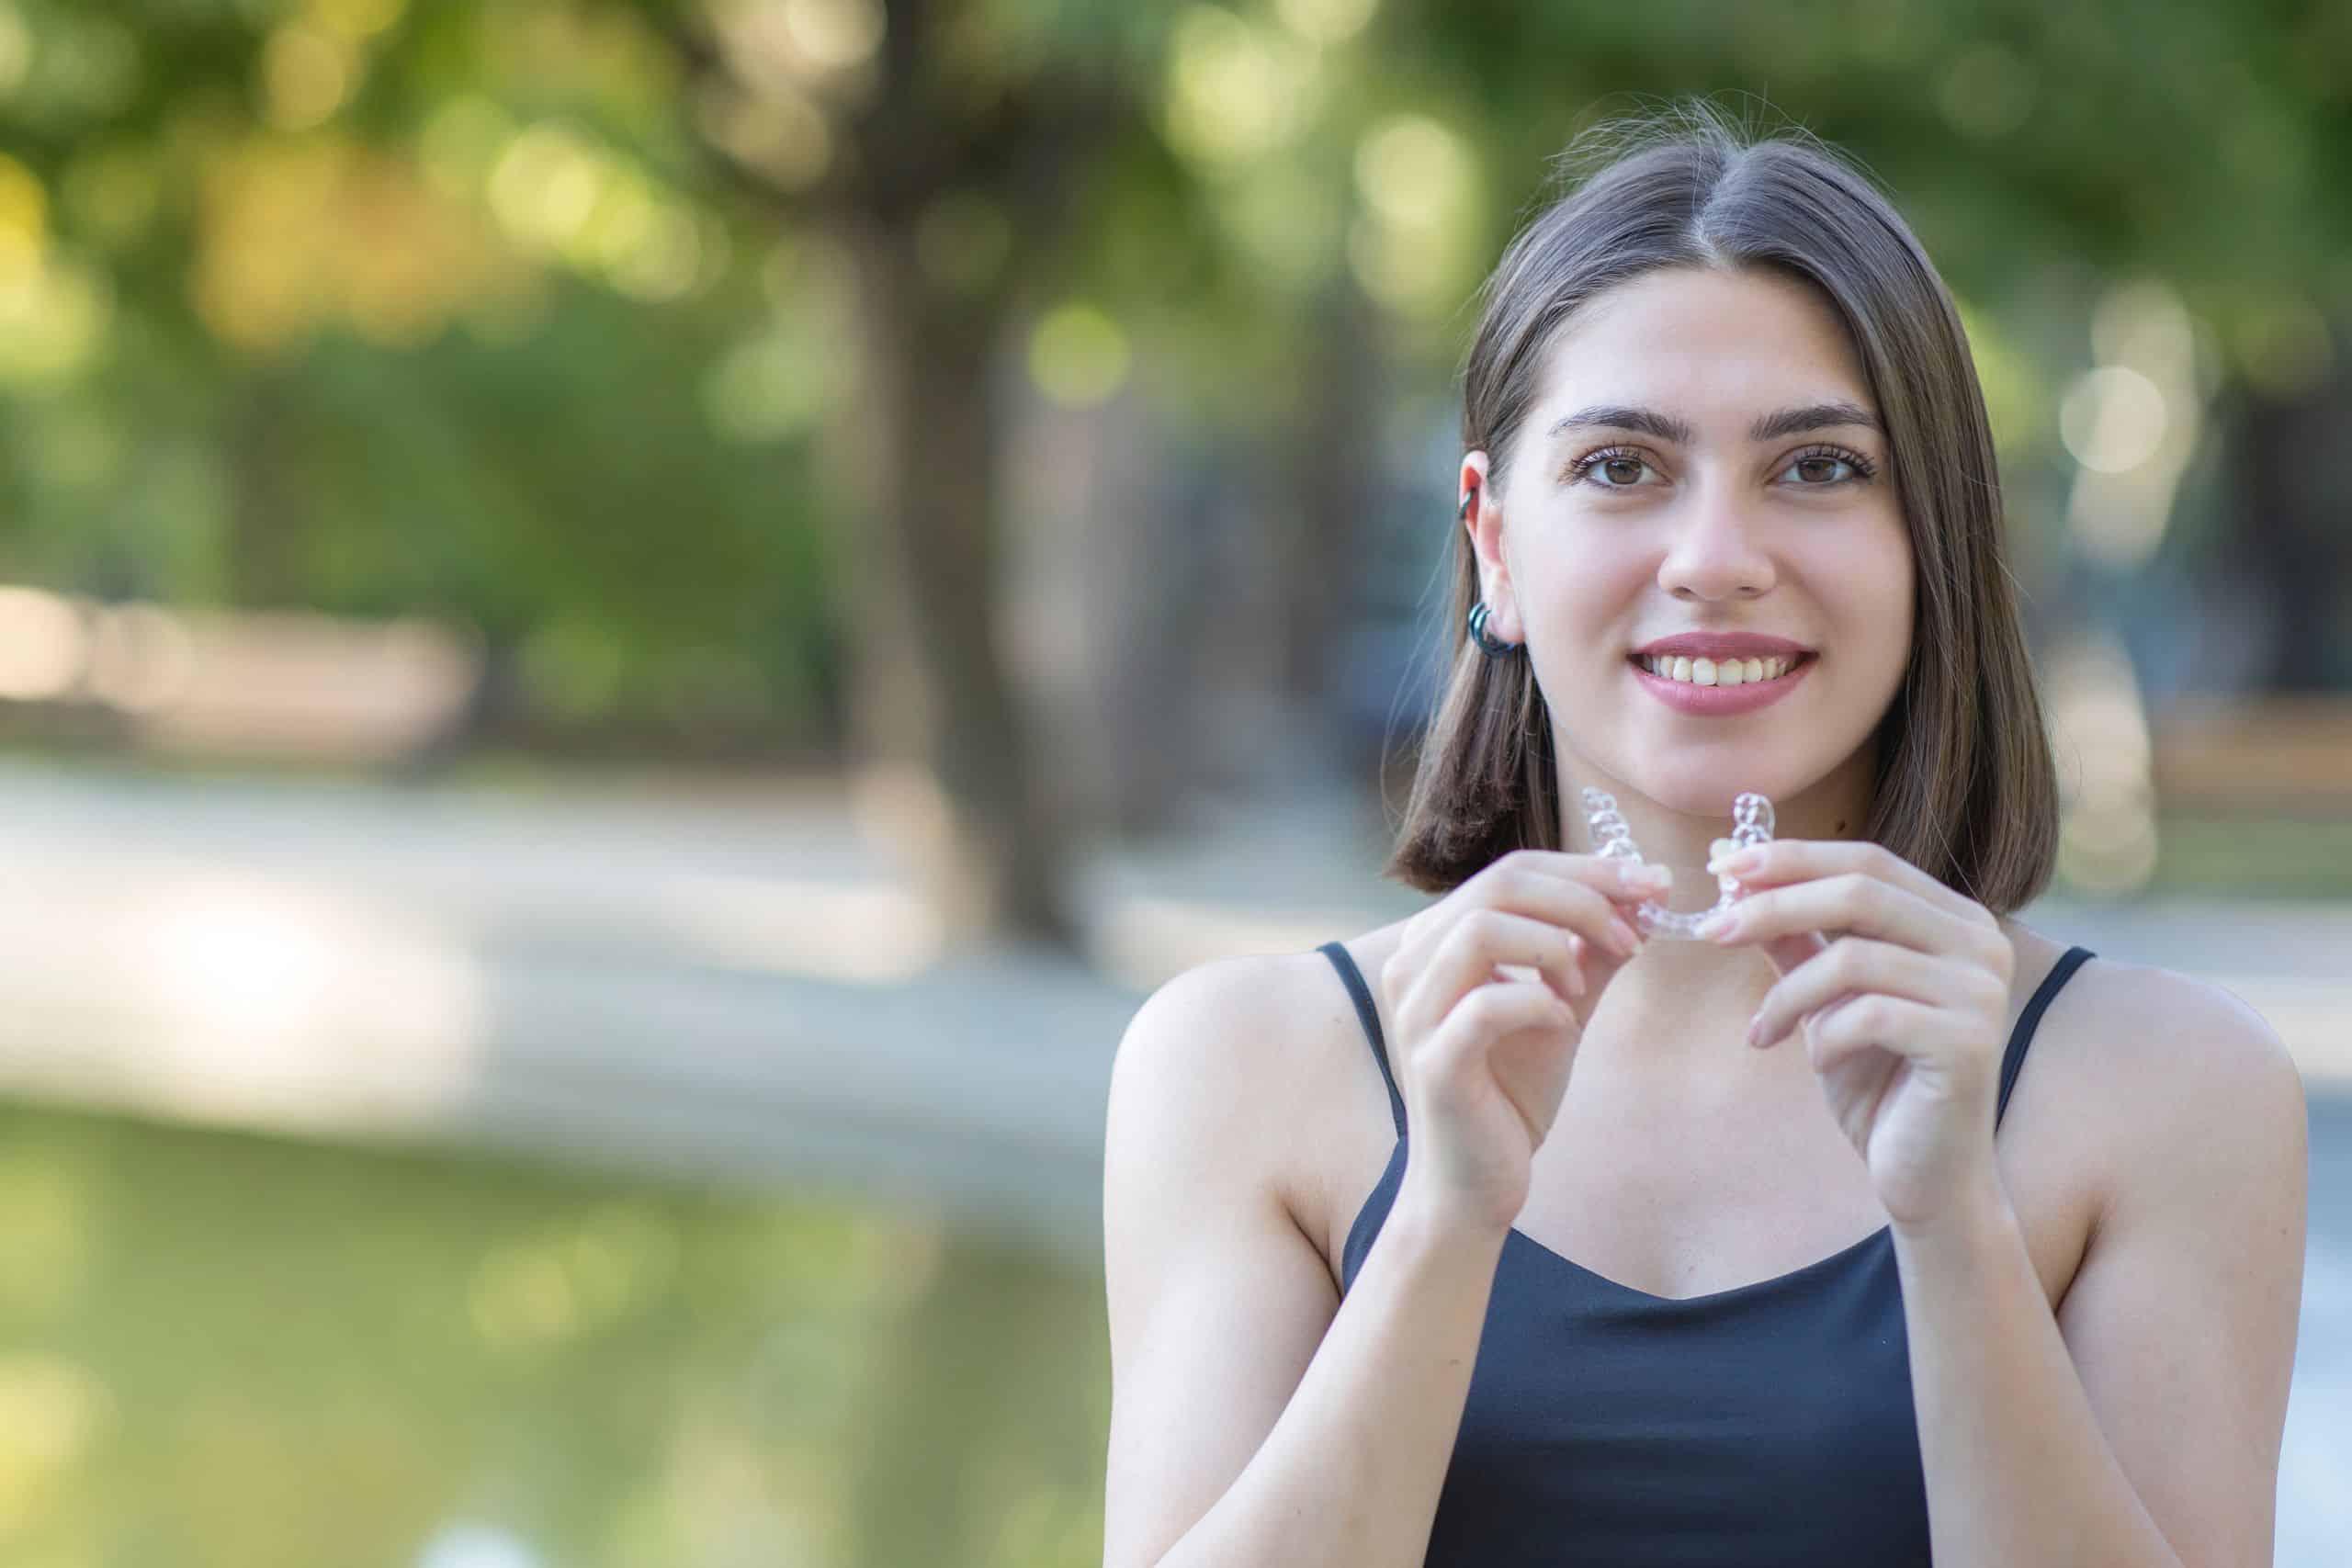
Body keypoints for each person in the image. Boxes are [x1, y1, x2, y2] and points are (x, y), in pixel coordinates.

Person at [1099, 102, 2310, 1567]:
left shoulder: (2173, 1089)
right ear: (1494, 540)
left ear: (1936, 538)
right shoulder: (1242, 1067)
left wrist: (1954, 1227)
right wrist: (1441, 1220)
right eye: (1621, 467)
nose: (1718, 561)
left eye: (1817, 469)